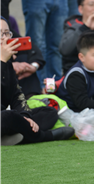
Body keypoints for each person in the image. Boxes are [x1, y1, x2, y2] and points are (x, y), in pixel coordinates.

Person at [1, 17, 74, 145]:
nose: (5, 38)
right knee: (7, 116)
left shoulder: (7, 62)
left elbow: (16, 95)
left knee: (49, 112)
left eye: (6, 33)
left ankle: (12, 136)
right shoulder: (4, 61)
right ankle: (45, 136)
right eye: (0, 34)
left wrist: (25, 117)